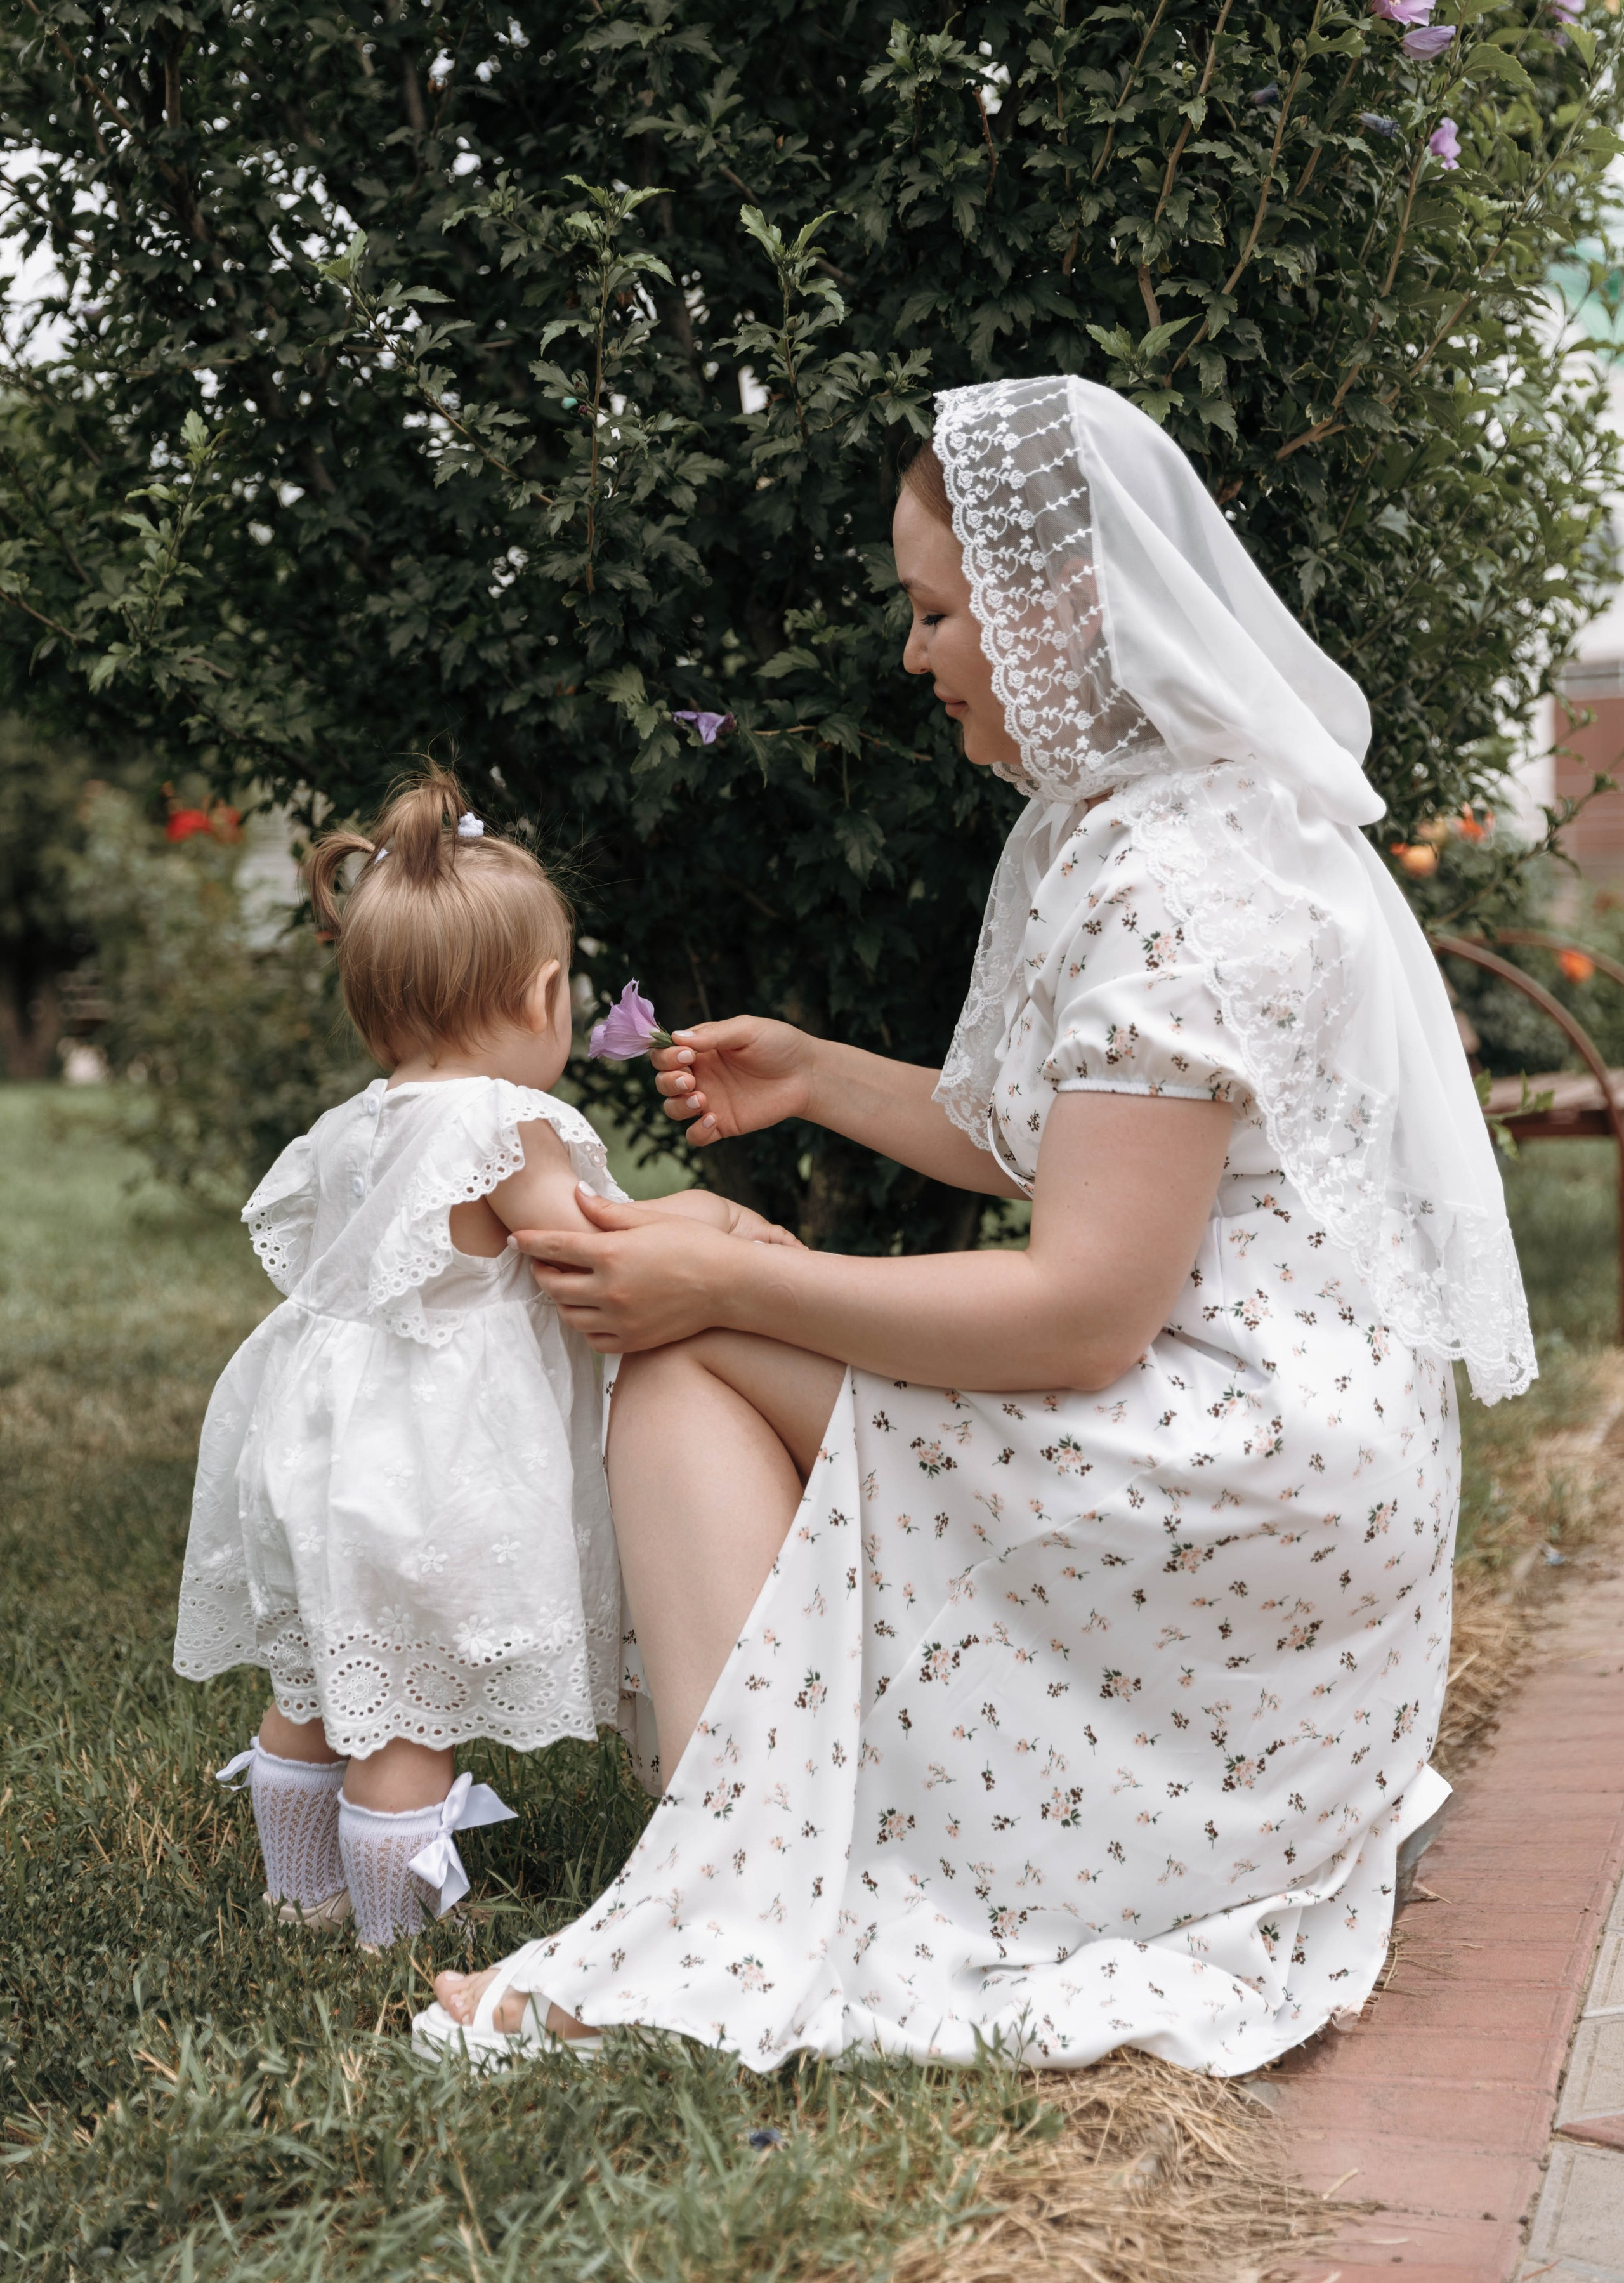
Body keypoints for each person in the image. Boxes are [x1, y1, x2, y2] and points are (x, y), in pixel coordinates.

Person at [416, 376, 1533, 2071]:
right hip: (1285, 1443)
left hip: (1234, 1463)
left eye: (938, 612)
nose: (918, 652)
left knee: (695, 1344)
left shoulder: (1175, 882)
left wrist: (738, 1268)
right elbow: (1076, 1150)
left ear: (1056, 607)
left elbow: (1085, 1310)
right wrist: (815, 1075)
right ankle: (762, 1853)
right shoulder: (1159, 818)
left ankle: (729, 1916)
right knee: (735, 1304)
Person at [174, 765, 795, 1950]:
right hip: (422, 1463)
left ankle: (297, 1895)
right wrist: (713, 1221)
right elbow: (583, 1248)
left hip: (311, 1450)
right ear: (543, 993)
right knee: (405, 1708)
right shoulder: (502, 1122)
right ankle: (393, 1932)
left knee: (321, 1684)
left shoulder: (354, 1126)